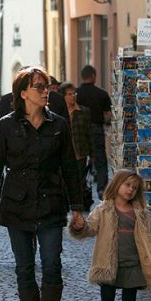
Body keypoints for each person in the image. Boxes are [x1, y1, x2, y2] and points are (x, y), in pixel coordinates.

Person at [0, 67, 85, 301]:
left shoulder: (59, 125)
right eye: (39, 87)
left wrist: (77, 208)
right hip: (17, 206)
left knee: (52, 264)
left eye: (47, 86)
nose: (46, 91)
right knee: (24, 268)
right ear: (23, 93)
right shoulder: (6, 125)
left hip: (51, 204)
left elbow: (70, 168)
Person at [69, 170, 151, 301]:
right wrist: (80, 226)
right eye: (127, 185)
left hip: (132, 263)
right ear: (117, 185)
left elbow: (145, 238)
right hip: (108, 262)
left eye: (134, 187)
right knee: (107, 297)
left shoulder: (139, 212)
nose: (130, 190)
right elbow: (91, 228)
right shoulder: (104, 209)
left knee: (129, 300)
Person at [76, 65, 112, 199]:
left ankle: (81, 189)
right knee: (101, 160)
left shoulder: (76, 93)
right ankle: (102, 189)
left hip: (79, 129)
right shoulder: (101, 93)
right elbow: (107, 115)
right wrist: (106, 123)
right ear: (93, 76)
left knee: (80, 160)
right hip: (96, 128)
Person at [58, 82, 93, 211]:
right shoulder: (58, 113)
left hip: (80, 152)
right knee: (64, 179)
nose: (73, 96)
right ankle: (65, 204)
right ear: (63, 96)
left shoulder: (84, 112)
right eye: (69, 94)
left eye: (74, 93)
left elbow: (89, 133)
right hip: (64, 153)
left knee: (79, 181)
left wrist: (92, 154)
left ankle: (77, 205)